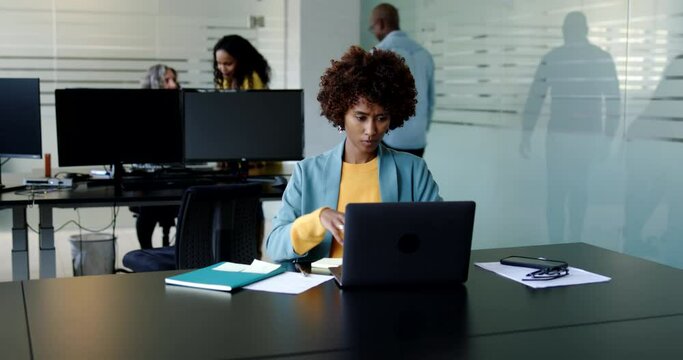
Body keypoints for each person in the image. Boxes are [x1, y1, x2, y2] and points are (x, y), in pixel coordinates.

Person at [265, 46, 442, 264]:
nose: (371, 130)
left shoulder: (413, 170)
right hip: (324, 289)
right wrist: (317, 220)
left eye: (381, 118)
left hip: (392, 284)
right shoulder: (308, 172)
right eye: (361, 117)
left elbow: (439, 235)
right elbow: (275, 246)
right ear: (341, 114)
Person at [520, 12, 620, 243]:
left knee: (556, 190)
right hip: (588, 134)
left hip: (559, 135)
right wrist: (608, 137)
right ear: (586, 30)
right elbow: (613, 100)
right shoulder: (601, 58)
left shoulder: (554, 57)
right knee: (579, 187)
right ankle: (575, 239)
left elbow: (536, 97)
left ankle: (556, 242)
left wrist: (527, 133)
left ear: (564, 31)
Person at [369, 3, 435, 158]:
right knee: (412, 181)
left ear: (381, 24)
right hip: (418, 140)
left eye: (373, 28)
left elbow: (371, 102)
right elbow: (431, 101)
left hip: (390, 140)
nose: (374, 32)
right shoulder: (424, 54)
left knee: (388, 182)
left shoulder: (377, 54)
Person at [129, 64, 180, 249]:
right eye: (167, 80)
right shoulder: (139, 111)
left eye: (174, 80)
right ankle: (146, 253)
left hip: (175, 174)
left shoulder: (181, 108)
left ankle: (180, 255)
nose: (173, 85)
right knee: (146, 210)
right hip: (147, 175)